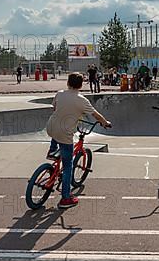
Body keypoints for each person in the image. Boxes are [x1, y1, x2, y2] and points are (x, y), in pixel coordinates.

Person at [45, 73, 111, 209]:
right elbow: (95, 115)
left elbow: (55, 109)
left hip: (50, 128)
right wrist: (105, 122)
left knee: (57, 131)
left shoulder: (60, 93)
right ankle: (65, 198)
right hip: (65, 134)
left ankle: (52, 150)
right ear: (81, 85)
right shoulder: (82, 100)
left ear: (68, 83)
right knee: (68, 165)